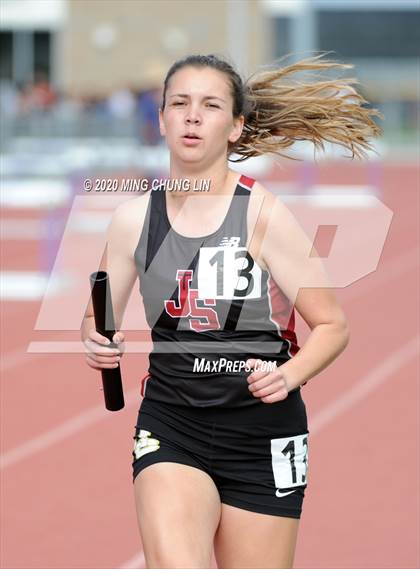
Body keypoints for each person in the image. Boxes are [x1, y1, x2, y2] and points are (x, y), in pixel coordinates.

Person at [81, 53, 381, 568]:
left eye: (210, 105)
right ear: (161, 119)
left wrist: (289, 376)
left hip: (263, 434)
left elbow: (332, 326)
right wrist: (96, 339)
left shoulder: (263, 215)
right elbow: (97, 317)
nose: (192, 116)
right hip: (172, 425)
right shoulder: (133, 219)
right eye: (180, 103)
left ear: (236, 126)